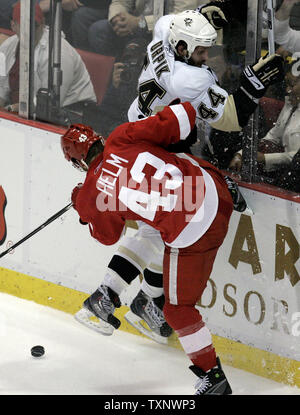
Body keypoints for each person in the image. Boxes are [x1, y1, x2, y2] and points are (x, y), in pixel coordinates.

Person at [71, 6, 284, 345]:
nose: (207, 56)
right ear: (183, 49)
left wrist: (202, 17)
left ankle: (118, 298)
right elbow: (230, 119)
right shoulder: (190, 79)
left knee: (157, 232)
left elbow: (180, 21)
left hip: (136, 138)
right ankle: (122, 299)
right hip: (162, 152)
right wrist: (252, 85)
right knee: (176, 231)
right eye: (201, 50)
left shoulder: (165, 34)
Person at [61, 101, 235, 394]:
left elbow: (106, 236)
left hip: (198, 232)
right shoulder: (120, 136)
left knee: (178, 310)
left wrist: (83, 207)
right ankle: (117, 294)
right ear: (98, 139)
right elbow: (185, 115)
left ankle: (213, 376)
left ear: (78, 163)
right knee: (161, 201)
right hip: (216, 188)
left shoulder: (91, 194)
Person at [229, 66, 300, 193]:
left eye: (292, 85)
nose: (287, 90)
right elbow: (271, 138)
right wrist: (241, 154)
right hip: (282, 177)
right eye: (287, 84)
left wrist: (265, 159)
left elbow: (295, 158)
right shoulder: (290, 104)